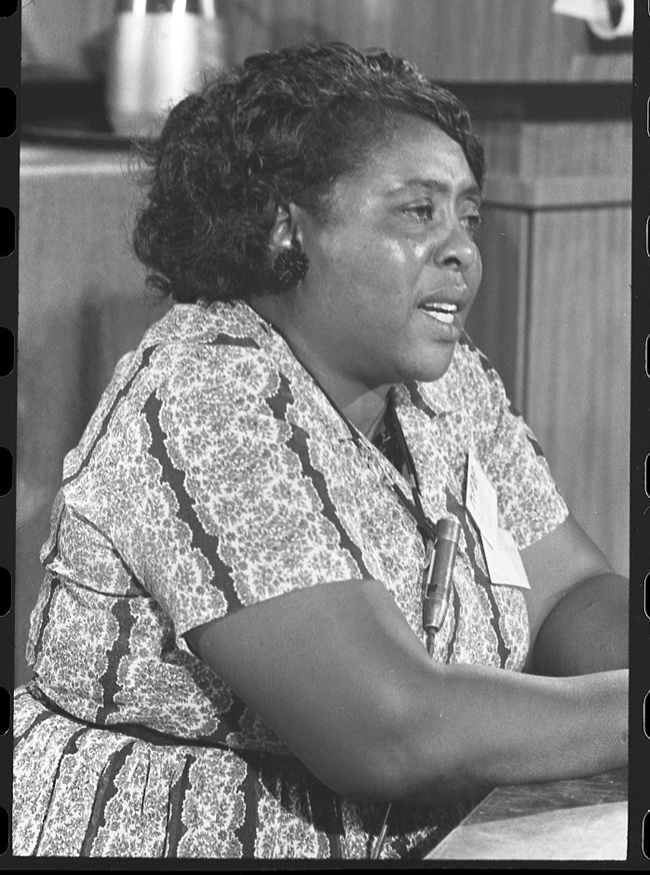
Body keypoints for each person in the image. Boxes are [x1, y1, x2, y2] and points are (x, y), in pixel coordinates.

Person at [12, 42, 628, 860]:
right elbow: (386, 730)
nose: (463, 251)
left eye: (467, 217)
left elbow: (567, 593)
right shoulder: (205, 394)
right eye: (419, 212)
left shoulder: (448, 384)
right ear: (284, 227)